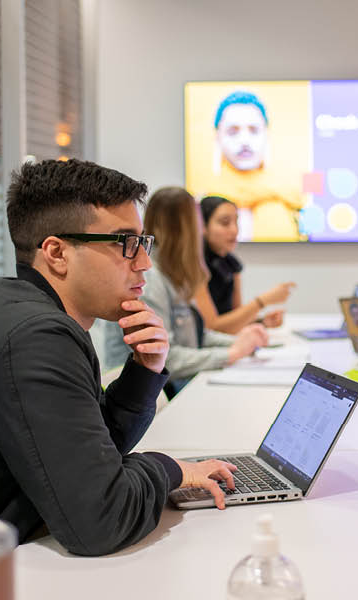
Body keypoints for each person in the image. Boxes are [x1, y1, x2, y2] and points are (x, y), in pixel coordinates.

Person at [0, 159, 238, 558]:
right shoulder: (36, 337)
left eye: (143, 243)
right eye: (125, 243)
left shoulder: (29, 314)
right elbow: (101, 522)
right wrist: (170, 468)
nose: (143, 262)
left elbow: (91, 450)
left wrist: (145, 370)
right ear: (56, 253)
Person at [116, 186, 267, 396]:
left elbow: (196, 336)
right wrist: (233, 352)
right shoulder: (151, 279)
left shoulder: (176, 274)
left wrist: (243, 343)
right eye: (198, 223)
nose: (202, 231)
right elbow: (163, 358)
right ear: (184, 228)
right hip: (158, 396)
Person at [207, 91, 303, 241]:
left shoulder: (294, 192)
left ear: (266, 134)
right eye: (233, 132)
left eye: (254, 130)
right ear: (218, 137)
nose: (244, 141)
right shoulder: (204, 196)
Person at [193, 195, 295, 333]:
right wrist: (262, 301)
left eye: (236, 222)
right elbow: (211, 328)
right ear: (203, 226)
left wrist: (262, 322)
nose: (234, 230)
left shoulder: (231, 264)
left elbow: (233, 318)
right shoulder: (195, 265)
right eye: (225, 223)